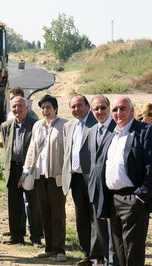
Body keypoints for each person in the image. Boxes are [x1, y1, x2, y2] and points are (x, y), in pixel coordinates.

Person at [99, 96, 152, 266]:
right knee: (118, 252)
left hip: (133, 199)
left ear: (132, 110)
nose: (118, 113)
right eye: (115, 110)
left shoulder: (145, 131)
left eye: (122, 108)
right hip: (113, 200)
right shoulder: (112, 135)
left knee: (132, 251)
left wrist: (140, 197)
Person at [23, 94, 68, 262]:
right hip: (39, 175)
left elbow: (68, 151)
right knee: (45, 212)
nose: (45, 110)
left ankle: (59, 249)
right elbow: (32, 150)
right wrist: (26, 171)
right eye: (42, 107)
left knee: (58, 213)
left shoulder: (64, 125)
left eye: (48, 107)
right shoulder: (37, 126)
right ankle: (49, 248)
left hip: (56, 176)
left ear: (55, 108)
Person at [62, 94, 102, 266]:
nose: (76, 109)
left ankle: (98, 256)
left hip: (93, 179)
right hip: (75, 178)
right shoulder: (68, 126)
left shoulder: (97, 123)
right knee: (81, 218)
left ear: (87, 106)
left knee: (96, 218)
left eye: (79, 105)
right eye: (73, 106)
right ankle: (87, 253)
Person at [0, 96, 42, 245]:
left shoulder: (35, 125)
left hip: (29, 169)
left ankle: (36, 237)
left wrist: (30, 169)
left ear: (26, 107)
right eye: (14, 106)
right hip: (13, 169)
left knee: (33, 204)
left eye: (20, 106)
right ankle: (16, 236)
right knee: (14, 204)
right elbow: (7, 148)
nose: (17, 109)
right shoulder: (6, 126)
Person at [87, 95, 117, 265]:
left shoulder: (117, 129)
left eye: (103, 108)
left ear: (109, 108)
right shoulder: (92, 131)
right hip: (95, 189)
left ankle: (113, 260)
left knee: (113, 229)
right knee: (100, 228)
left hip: (112, 189)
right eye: (96, 109)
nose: (100, 112)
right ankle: (105, 258)